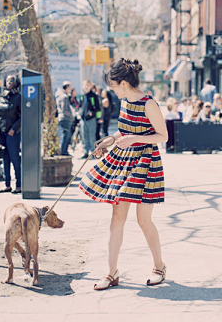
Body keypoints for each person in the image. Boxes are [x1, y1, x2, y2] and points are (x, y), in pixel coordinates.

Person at [79, 58, 168, 290]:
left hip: (146, 164)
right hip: (124, 160)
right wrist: (109, 141)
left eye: (113, 85)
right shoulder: (124, 101)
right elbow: (123, 131)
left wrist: (134, 139)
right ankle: (111, 273)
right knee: (116, 218)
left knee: (143, 220)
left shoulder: (148, 103)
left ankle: (159, 266)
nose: (112, 89)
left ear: (124, 83)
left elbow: (163, 136)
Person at [0, 74, 21, 194]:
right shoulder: (1, 97)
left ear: (15, 83)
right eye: (7, 80)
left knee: (15, 159)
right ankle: (7, 185)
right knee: (5, 160)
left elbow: (22, 116)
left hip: (12, 134)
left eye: (11, 81)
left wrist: (14, 129)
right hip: (2, 133)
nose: (9, 82)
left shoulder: (18, 97)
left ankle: (19, 185)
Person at [79, 80, 101, 159]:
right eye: (85, 85)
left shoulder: (93, 96)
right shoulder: (82, 96)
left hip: (91, 119)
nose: (86, 87)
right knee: (85, 137)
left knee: (92, 136)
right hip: (83, 120)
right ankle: (85, 152)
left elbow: (97, 108)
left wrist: (96, 116)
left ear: (91, 86)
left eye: (88, 85)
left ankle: (93, 152)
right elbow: (80, 106)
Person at [56, 81, 74, 156]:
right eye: (70, 87)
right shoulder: (64, 96)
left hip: (62, 117)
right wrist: (71, 116)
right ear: (67, 87)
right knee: (66, 135)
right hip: (65, 118)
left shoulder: (60, 95)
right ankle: (64, 151)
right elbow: (64, 109)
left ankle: (63, 150)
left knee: (65, 134)